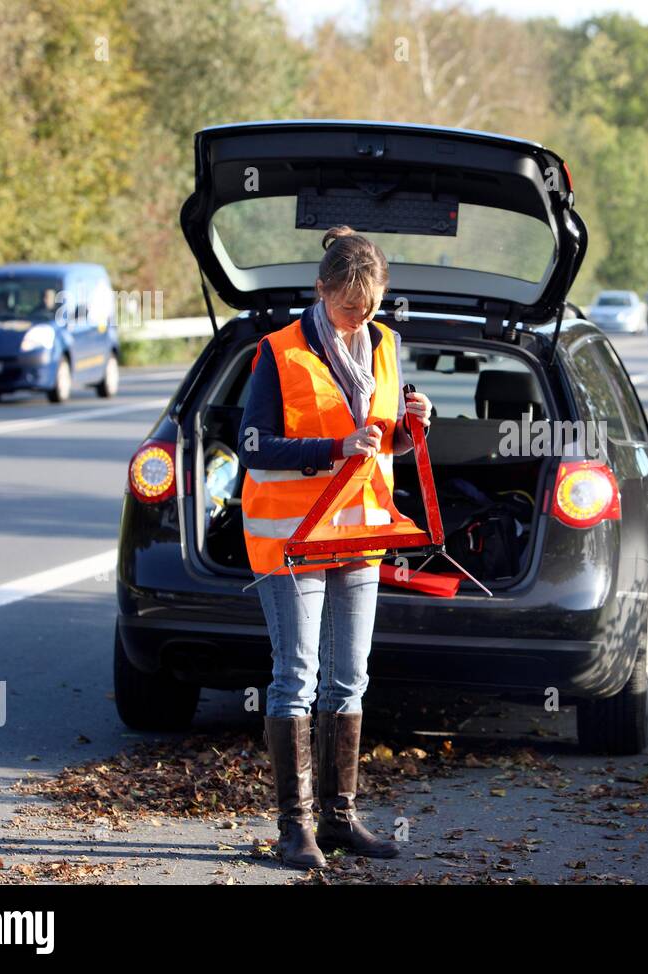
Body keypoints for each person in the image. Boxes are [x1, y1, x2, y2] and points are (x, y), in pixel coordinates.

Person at [237, 225, 432, 869]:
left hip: (363, 537)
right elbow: (253, 446)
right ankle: (295, 829)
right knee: (296, 679)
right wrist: (330, 450)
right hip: (292, 543)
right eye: (349, 310)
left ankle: (341, 818)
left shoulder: (386, 346)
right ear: (321, 292)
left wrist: (410, 428)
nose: (360, 321)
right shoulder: (278, 352)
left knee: (350, 678)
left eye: (370, 308)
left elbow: (382, 437)